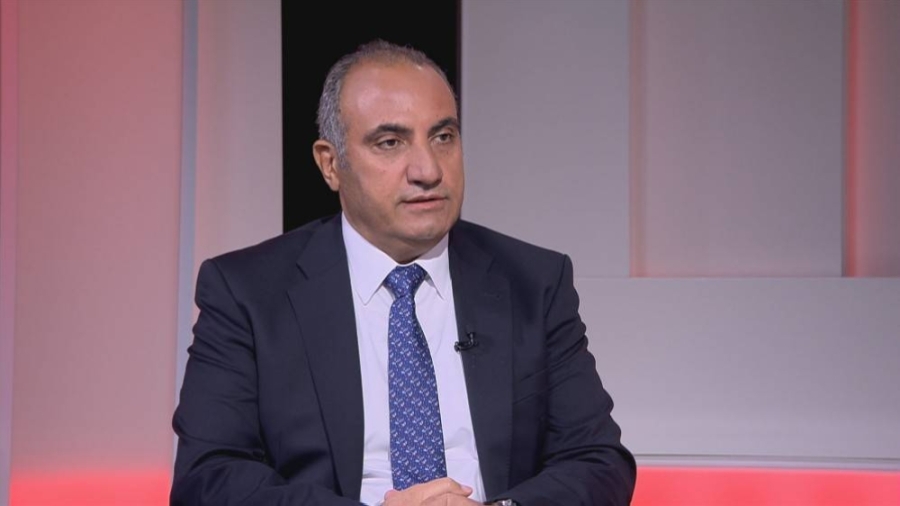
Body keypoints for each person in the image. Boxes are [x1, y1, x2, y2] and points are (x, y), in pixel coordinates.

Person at [171, 40, 636, 506]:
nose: (428, 170)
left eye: (443, 137)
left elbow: (597, 461)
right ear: (331, 164)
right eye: (390, 143)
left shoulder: (534, 282)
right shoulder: (247, 293)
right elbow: (208, 479)